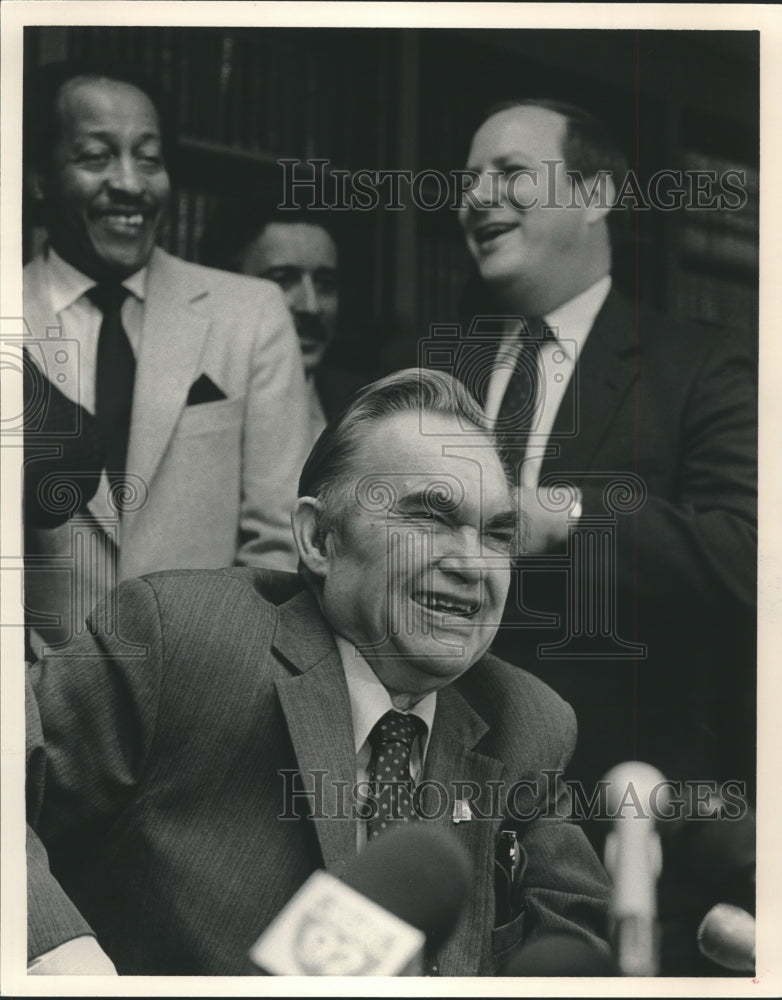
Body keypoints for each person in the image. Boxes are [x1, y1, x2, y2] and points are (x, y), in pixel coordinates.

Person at [26, 368, 611, 976]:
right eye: (430, 518)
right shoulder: (180, 639)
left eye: (496, 534)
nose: (471, 563)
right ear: (318, 539)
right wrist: (73, 972)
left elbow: (579, 950)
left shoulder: (525, 722)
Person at [454, 98, 757, 972]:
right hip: (434, 804)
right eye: (468, 180)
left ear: (595, 193)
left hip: (625, 825)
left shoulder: (701, 365)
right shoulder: (431, 363)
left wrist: (572, 514)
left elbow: (746, 554)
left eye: (508, 174)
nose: (476, 197)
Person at [22, 60, 310, 655]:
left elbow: (282, 536)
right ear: (39, 178)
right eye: (97, 156)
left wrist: (215, 682)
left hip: (206, 693)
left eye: (149, 159)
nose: (131, 183)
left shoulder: (251, 314)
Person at [201, 200, 369, 446]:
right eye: (284, 280)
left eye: (326, 284)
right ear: (228, 286)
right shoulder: (193, 403)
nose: (311, 307)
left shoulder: (366, 407)